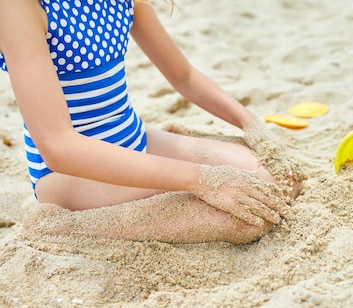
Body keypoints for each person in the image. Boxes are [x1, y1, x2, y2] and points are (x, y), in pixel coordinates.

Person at [0, 0, 304, 244]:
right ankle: (64, 227)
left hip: (134, 139)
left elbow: (185, 77)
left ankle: (171, 162)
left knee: (279, 181)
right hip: (69, 176)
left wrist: (251, 124)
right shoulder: (21, 7)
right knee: (246, 219)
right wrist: (199, 178)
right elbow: (59, 146)